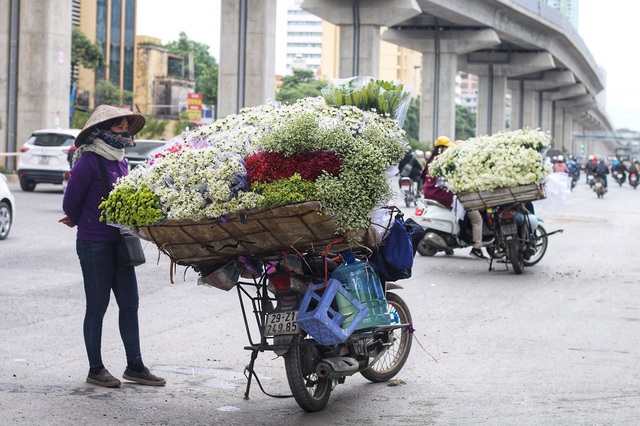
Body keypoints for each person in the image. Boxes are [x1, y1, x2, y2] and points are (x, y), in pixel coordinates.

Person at [59, 105, 166, 388]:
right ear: (102, 132)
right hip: (94, 244)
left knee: (130, 305)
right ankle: (96, 369)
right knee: (97, 307)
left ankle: (135, 366)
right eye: (118, 129)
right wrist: (87, 221)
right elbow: (70, 203)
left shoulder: (120, 161)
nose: (124, 134)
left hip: (121, 243)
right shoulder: (88, 161)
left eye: (126, 129)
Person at [420, 136, 486, 259]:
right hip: (440, 193)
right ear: (441, 148)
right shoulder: (442, 161)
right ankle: (477, 247)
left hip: (432, 191)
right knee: (476, 218)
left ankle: (452, 241)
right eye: (448, 148)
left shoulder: (434, 159)